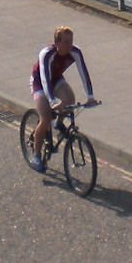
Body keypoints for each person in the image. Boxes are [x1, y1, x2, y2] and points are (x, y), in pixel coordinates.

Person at [27, 26, 96, 172]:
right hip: (40, 82)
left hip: (56, 79)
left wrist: (90, 97)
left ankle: (58, 124)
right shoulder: (46, 54)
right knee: (45, 119)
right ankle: (36, 156)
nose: (69, 45)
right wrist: (52, 101)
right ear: (57, 43)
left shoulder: (75, 52)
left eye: (71, 41)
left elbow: (83, 73)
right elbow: (45, 79)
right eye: (65, 42)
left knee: (70, 98)